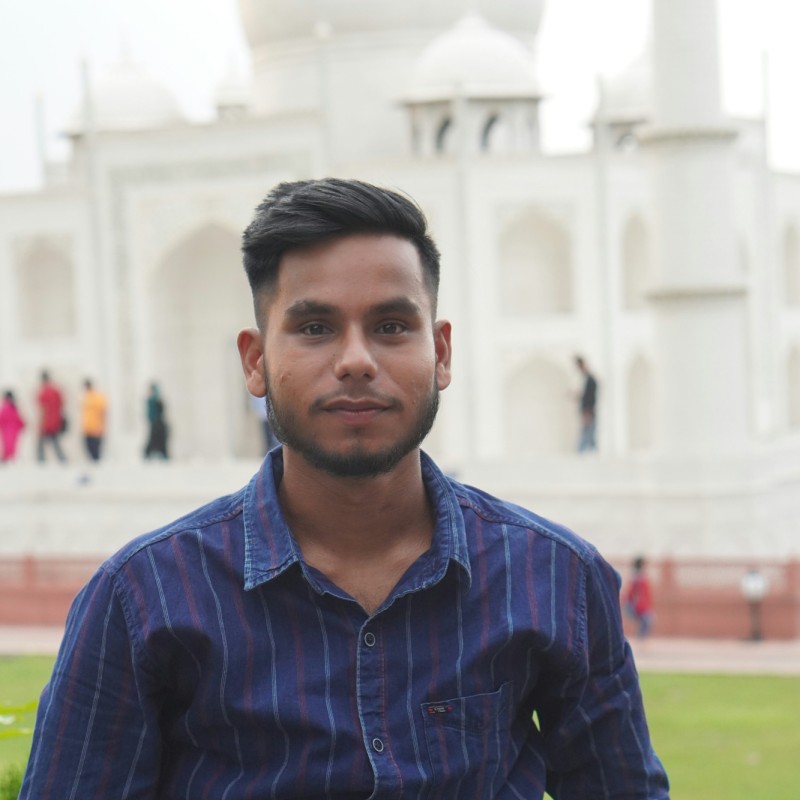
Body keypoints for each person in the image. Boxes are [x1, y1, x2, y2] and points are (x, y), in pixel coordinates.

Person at [21, 179, 669, 799]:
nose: (356, 359)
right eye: (315, 328)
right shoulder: (146, 599)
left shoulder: (552, 578)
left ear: (441, 353)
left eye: (391, 326)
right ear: (255, 360)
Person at [36, 370, 66, 463]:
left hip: (46, 421)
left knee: (41, 444)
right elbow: (62, 403)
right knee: (55, 442)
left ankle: (41, 461)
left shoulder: (43, 392)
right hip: (56, 420)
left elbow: (42, 409)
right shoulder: (56, 390)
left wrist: (41, 423)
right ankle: (62, 460)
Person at [624, 556, 655, 639]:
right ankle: (640, 639)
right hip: (639, 605)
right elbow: (632, 593)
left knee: (647, 621)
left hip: (643, 605)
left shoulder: (640, 577)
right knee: (647, 620)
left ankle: (640, 638)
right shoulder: (637, 578)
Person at [574, 354, 598, 452]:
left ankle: (585, 452)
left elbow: (590, 397)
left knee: (588, 433)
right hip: (587, 410)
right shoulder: (586, 379)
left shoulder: (590, 380)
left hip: (588, 410)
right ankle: (590, 451)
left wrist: (587, 411)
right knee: (589, 433)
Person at [80, 379, 108, 461]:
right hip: (87, 427)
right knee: (88, 448)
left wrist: (101, 425)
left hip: (96, 427)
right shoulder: (85, 397)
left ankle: (97, 464)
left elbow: (103, 411)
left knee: (96, 450)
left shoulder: (97, 397)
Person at [143, 382, 169, 459]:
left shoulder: (157, 401)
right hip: (154, 424)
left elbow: (162, 412)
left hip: (159, 423)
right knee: (153, 441)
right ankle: (148, 456)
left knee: (161, 441)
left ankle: (163, 456)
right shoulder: (150, 401)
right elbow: (150, 414)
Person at [0, 390, 25, 461]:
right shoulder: (13, 407)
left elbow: (1, 417)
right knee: (10, 443)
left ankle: (7, 457)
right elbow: (18, 417)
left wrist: (22, 424)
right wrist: (22, 424)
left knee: (8, 443)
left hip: (8, 429)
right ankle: (8, 457)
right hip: (13, 429)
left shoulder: (6, 407)